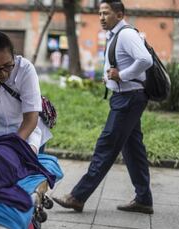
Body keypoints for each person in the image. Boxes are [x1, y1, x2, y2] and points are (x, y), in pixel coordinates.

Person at [52, 0, 154, 214]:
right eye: (99, 13)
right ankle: (144, 199)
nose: (101, 17)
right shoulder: (116, 35)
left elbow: (145, 60)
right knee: (133, 150)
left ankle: (77, 196)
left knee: (106, 145)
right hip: (125, 97)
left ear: (119, 14)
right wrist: (110, 79)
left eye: (106, 13)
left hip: (129, 98)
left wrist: (121, 75)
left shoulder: (126, 34)